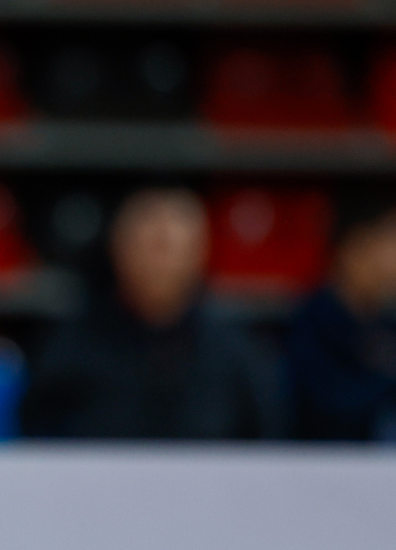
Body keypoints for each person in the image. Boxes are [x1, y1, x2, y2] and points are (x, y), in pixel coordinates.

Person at [20, 187, 280, 440]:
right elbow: (38, 438)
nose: (160, 262)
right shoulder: (69, 348)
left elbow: (266, 443)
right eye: (150, 244)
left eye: (171, 246)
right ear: (118, 247)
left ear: (201, 250)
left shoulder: (237, 354)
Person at [283, 191, 396, 441]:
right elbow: (328, 412)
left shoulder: (394, 327)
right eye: (394, 244)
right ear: (355, 249)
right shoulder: (312, 326)